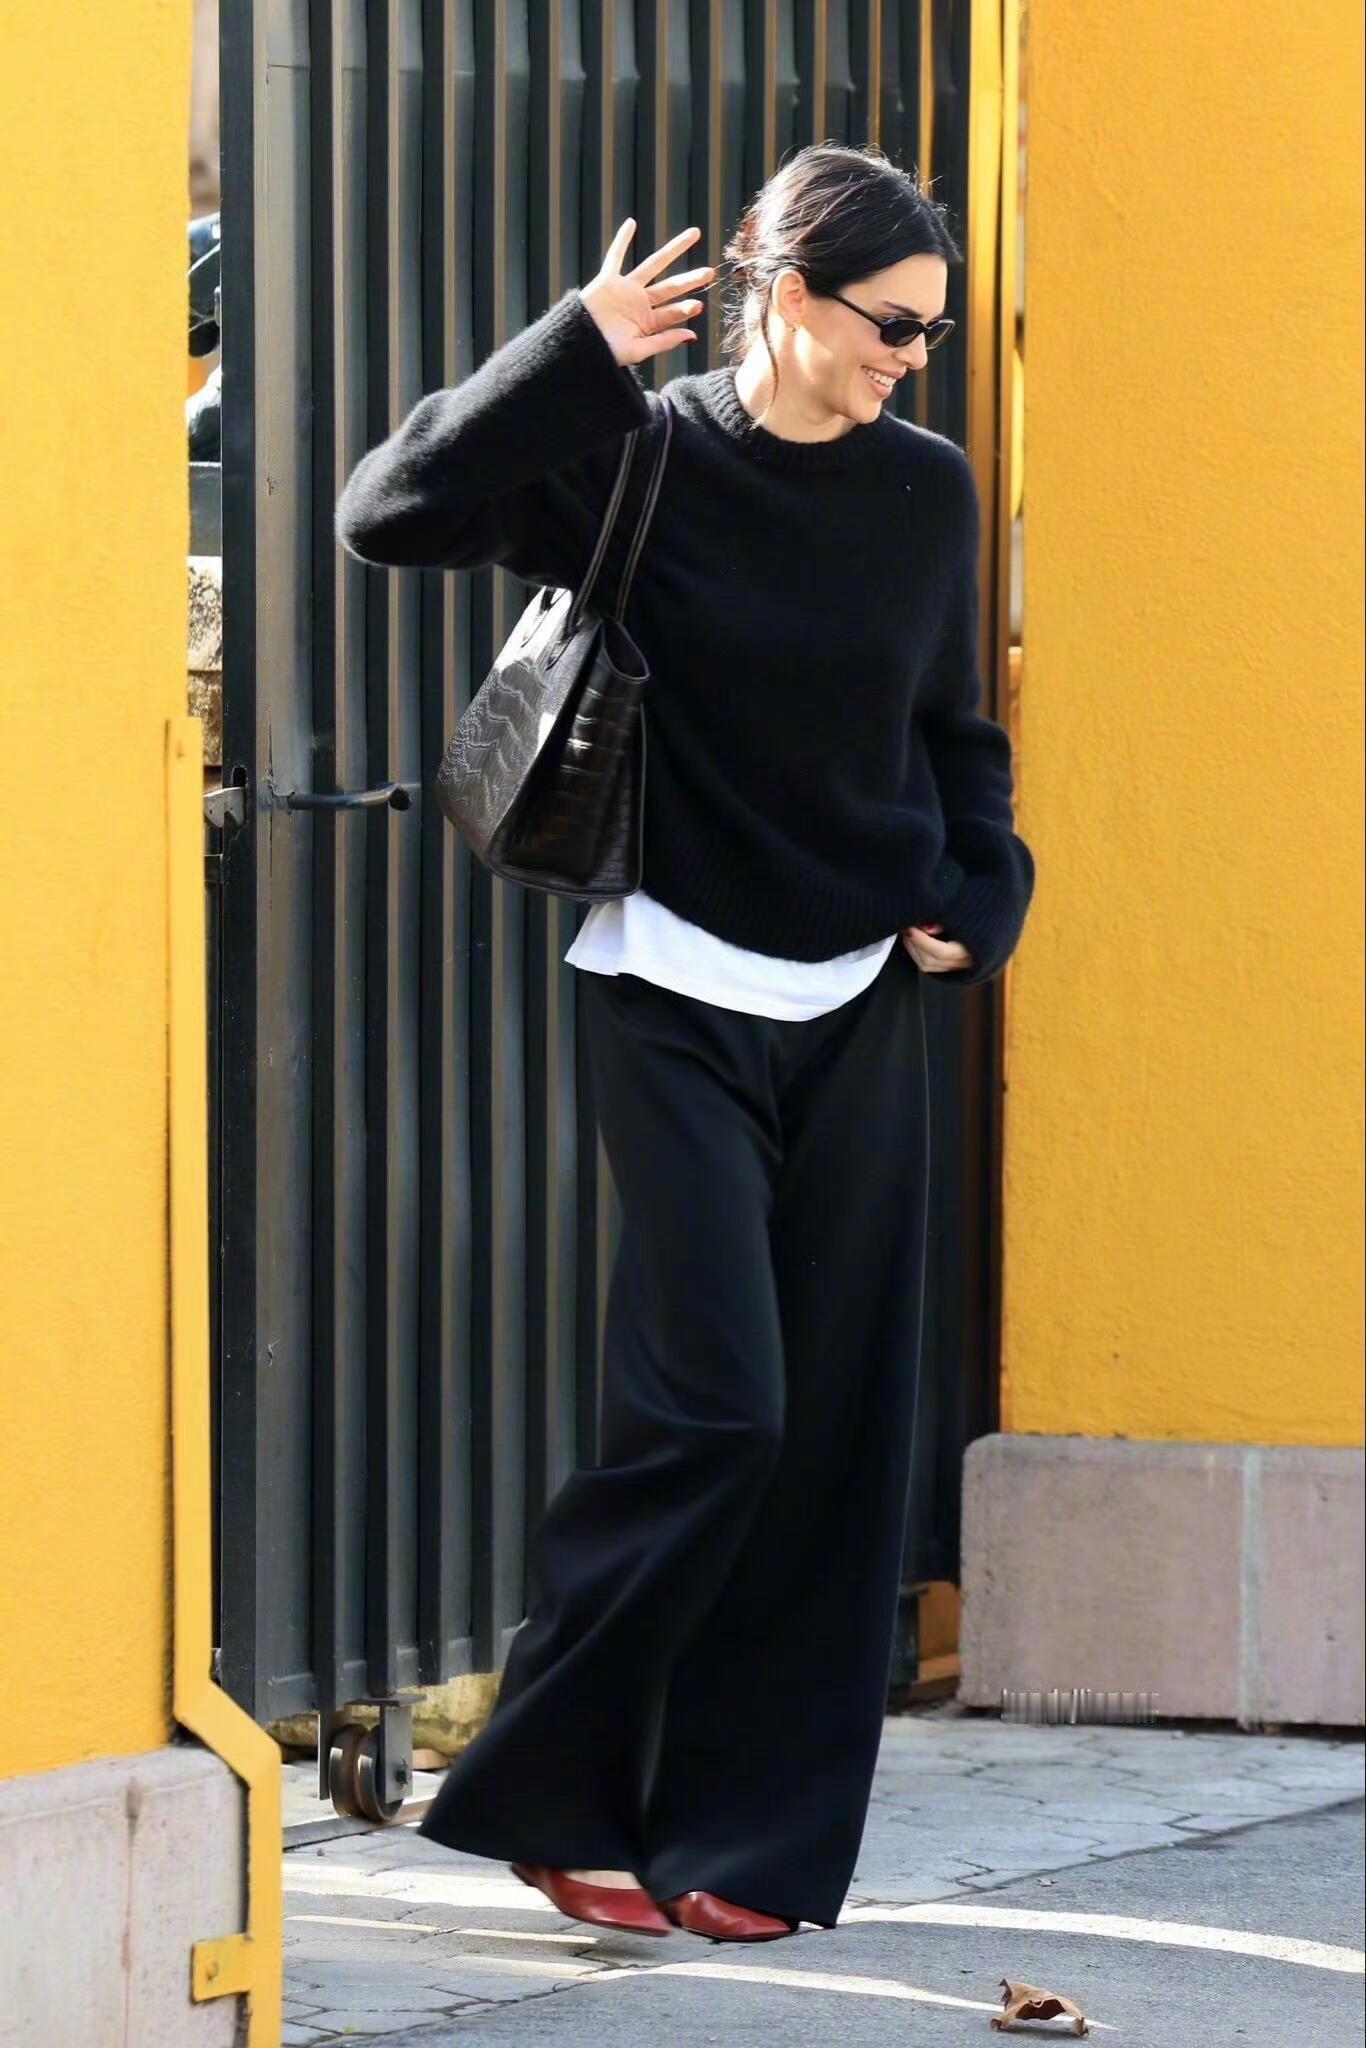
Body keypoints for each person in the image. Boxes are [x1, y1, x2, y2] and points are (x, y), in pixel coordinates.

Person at [335, 141, 1034, 1943]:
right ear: (786, 296)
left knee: (835, 1441)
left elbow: (949, 730)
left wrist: (984, 885)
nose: (910, 361)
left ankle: (747, 1841)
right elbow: (386, 511)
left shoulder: (924, 490)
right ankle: (553, 1795)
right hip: (666, 987)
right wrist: (569, 351)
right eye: (889, 325)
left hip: (862, 1000)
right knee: (715, 1408)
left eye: (929, 334)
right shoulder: (636, 458)